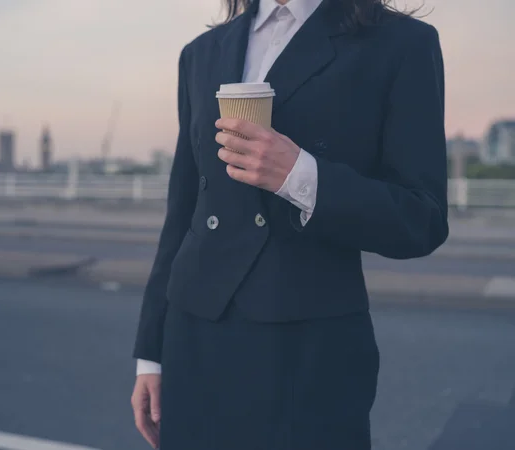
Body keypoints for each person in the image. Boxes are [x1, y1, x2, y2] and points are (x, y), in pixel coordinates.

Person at [131, 0, 448, 448]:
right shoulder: (200, 52)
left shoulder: (400, 44)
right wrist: (151, 354)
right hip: (194, 341)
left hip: (310, 352)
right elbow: (183, 212)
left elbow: (424, 218)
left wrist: (300, 176)